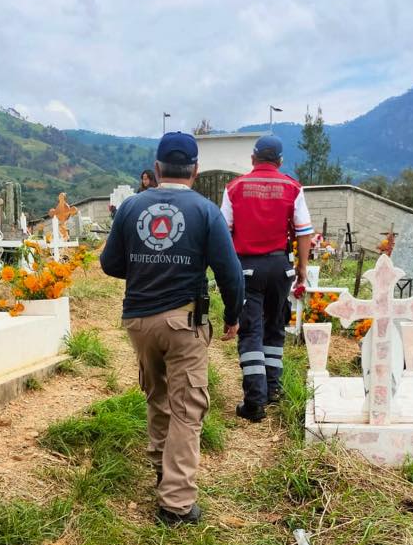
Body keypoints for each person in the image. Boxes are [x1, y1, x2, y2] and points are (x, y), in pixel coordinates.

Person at [101, 132, 244, 525]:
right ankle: (177, 503)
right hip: (185, 322)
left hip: (139, 321)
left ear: (158, 167)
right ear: (195, 170)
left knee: (158, 395)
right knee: (187, 406)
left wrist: (145, 264)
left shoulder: (131, 208)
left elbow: (110, 265)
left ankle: (162, 470)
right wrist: (233, 316)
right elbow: (230, 273)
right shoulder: (206, 211)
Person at [221, 134, 313, 421]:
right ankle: (273, 389)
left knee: (250, 332)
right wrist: (302, 270)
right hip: (279, 267)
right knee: (274, 328)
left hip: (246, 268)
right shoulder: (292, 187)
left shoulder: (234, 188)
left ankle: (254, 402)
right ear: (280, 161)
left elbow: (224, 231)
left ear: (253, 159)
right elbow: (304, 231)